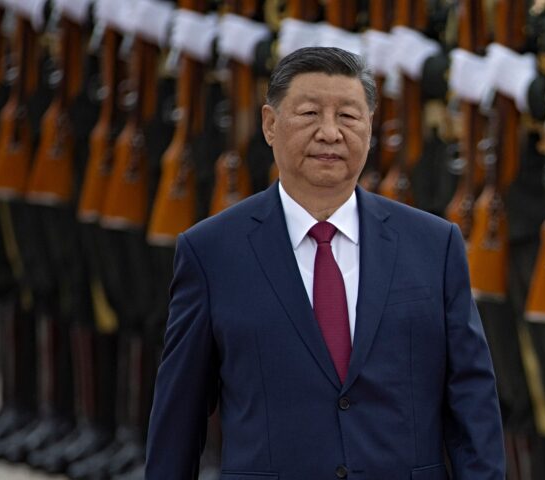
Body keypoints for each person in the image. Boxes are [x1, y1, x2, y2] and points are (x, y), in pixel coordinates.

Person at [146, 46, 505, 479]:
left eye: (349, 116)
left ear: (371, 129)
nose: (330, 133)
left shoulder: (434, 245)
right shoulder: (212, 252)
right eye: (310, 114)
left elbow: (472, 402)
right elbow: (178, 419)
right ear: (270, 125)